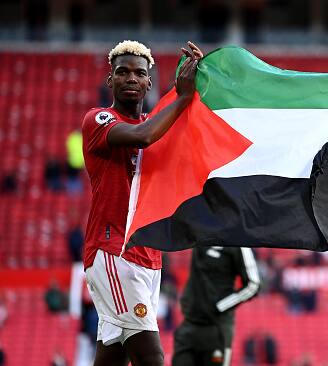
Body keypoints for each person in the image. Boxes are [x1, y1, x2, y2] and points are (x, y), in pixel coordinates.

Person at [82, 40, 202, 366]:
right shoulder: (99, 120)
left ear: (150, 81)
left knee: (113, 355)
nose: (131, 79)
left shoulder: (155, 121)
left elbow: (190, 136)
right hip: (113, 252)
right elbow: (142, 137)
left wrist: (201, 82)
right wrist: (182, 96)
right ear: (110, 80)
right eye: (122, 72)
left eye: (139, 73)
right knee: (152, 357)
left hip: (150, 256)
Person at [173, 246, 260, 366]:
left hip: (217, 328)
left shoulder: (238, 242)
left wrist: (220, 306)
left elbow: (253, 284)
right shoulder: (200, 232)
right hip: (189, 323)